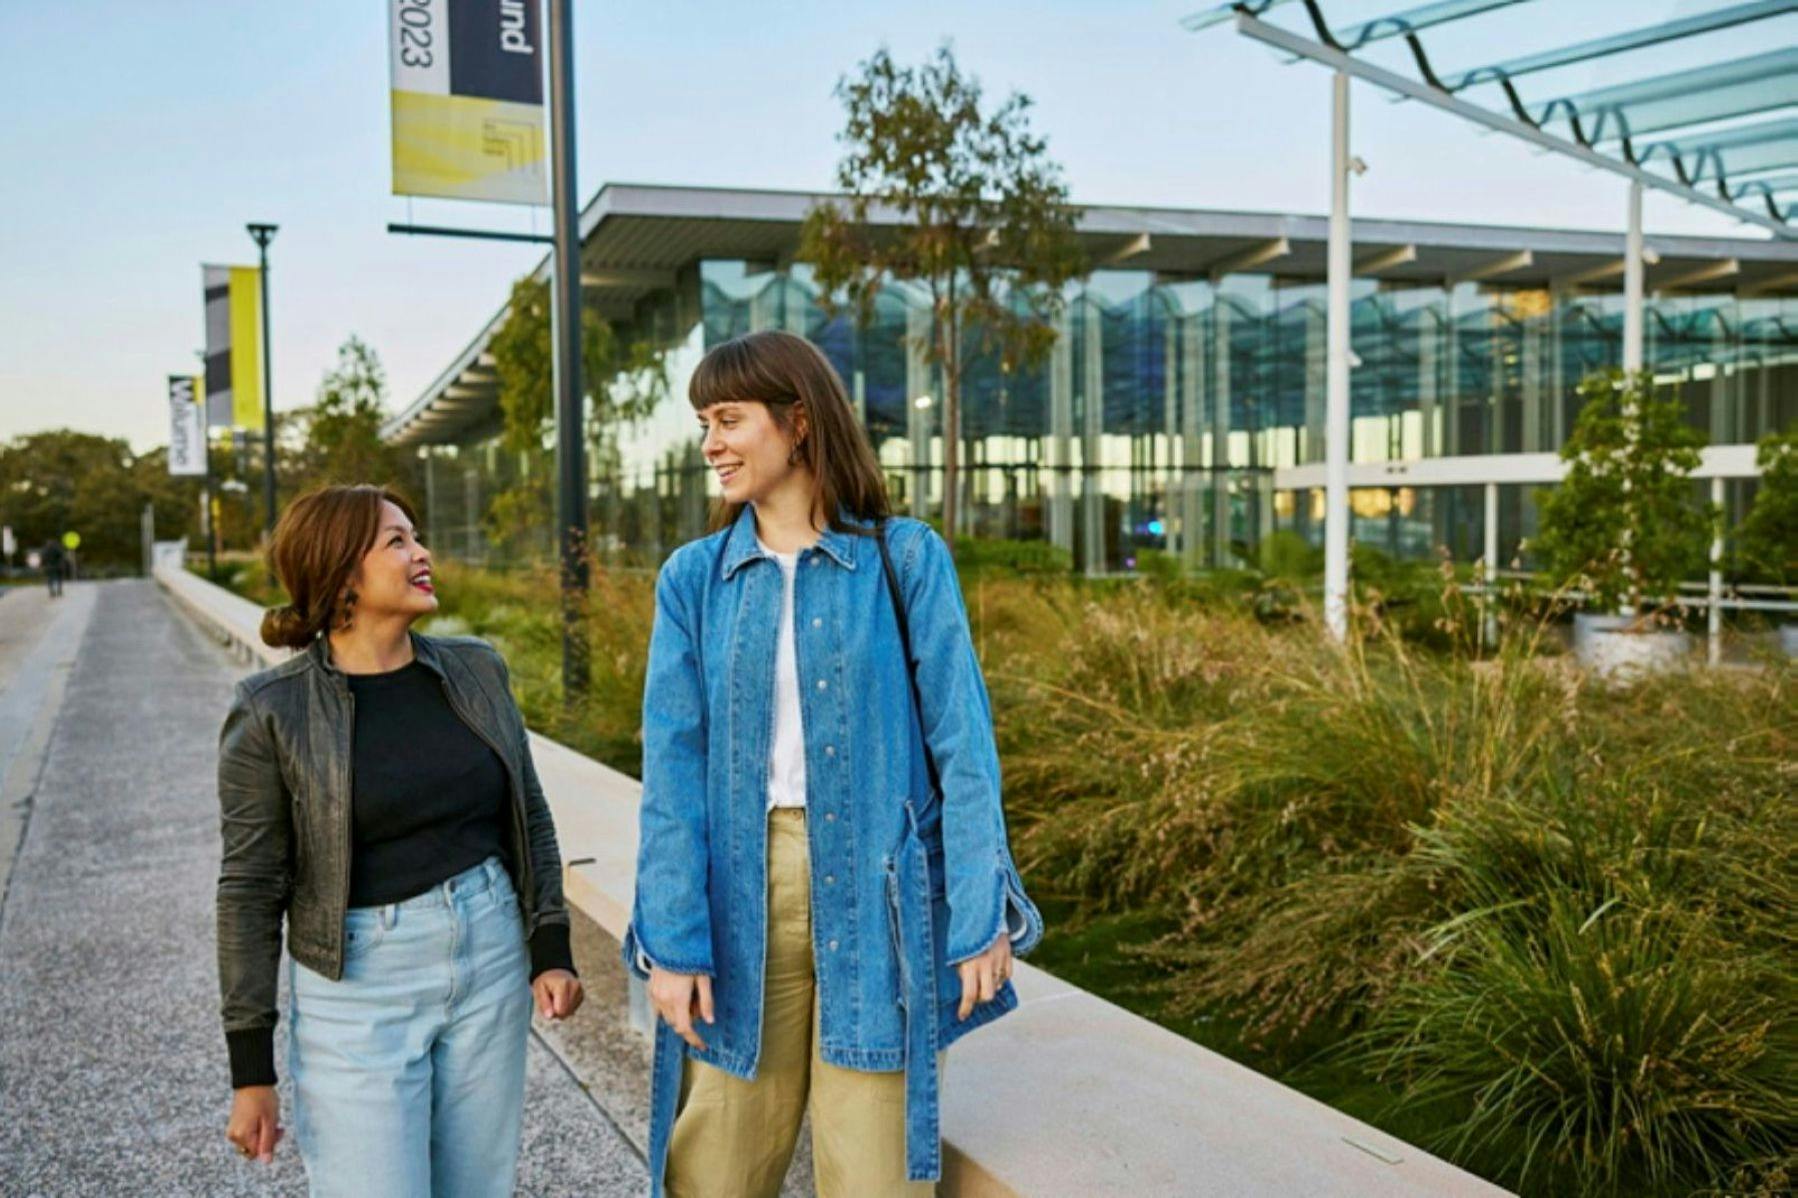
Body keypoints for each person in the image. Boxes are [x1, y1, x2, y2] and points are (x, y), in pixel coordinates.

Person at [623, 330, 1044, 1198]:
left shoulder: (905, 558)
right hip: (739, 894)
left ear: (800, 421)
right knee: (717, 1169)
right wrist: (672, 941)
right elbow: (672, 777)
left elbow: (964, 747)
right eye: (704, 424)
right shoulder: (693, 580)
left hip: (881, 895)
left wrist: (978, 912)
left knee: (876, 1174)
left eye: (729, 419)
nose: (710, 444)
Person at [215, 483, 584, 1196]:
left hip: (489, 957)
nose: (422, 553)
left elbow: (529, 815)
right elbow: (249, 892)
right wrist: (251, 1072)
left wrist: (550, 946)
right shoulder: (271, 712)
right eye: (397, 541)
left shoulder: (477, 670)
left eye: (416, 536)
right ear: (342, 575)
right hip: (357, 987)